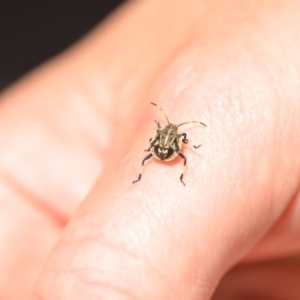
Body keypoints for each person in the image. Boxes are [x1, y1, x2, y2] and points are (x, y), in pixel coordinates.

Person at [1, 1, 300, 299]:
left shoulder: (175, 134)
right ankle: (148, 172)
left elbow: (175, 144)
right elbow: (174, 143)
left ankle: (152, 172)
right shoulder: (172, 134)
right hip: (162, 154)